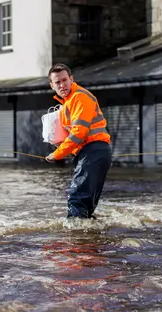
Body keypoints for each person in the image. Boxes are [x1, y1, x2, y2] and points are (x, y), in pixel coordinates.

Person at [45, 63, 112, 219]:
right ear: (52, 85)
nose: (62, 85)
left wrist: (57, 154)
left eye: (64, 80)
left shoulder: (80, 97)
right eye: (57, 82)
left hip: (94, 152)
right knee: (85, 205)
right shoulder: (68, 103)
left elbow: (78, 133)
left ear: (71, 79)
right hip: (90, 153)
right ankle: (87, 239)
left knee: (77, 200)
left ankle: (76, 239)